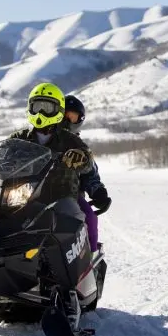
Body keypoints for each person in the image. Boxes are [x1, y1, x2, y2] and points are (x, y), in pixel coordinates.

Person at [8, 83, 96, 331]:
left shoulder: (68, 139)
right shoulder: (20, 138)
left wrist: (80, 158)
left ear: (57, 110)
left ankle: (71, 287)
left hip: (61, 200)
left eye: (47, 108)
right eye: (37, 107)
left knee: (69, 229)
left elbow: (87, 159)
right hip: (26, 198)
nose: (41, 114)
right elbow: (4, 154)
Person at [62, 94, 110, 254]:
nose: (66, 120)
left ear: (79, 120)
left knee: (89, 216)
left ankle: (91, 254)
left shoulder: (79, 145)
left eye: (72, 117)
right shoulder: (46, 138)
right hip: (36, 191)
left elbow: (90, 173)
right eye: (63, 115)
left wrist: (98, 191)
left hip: (69, 195)